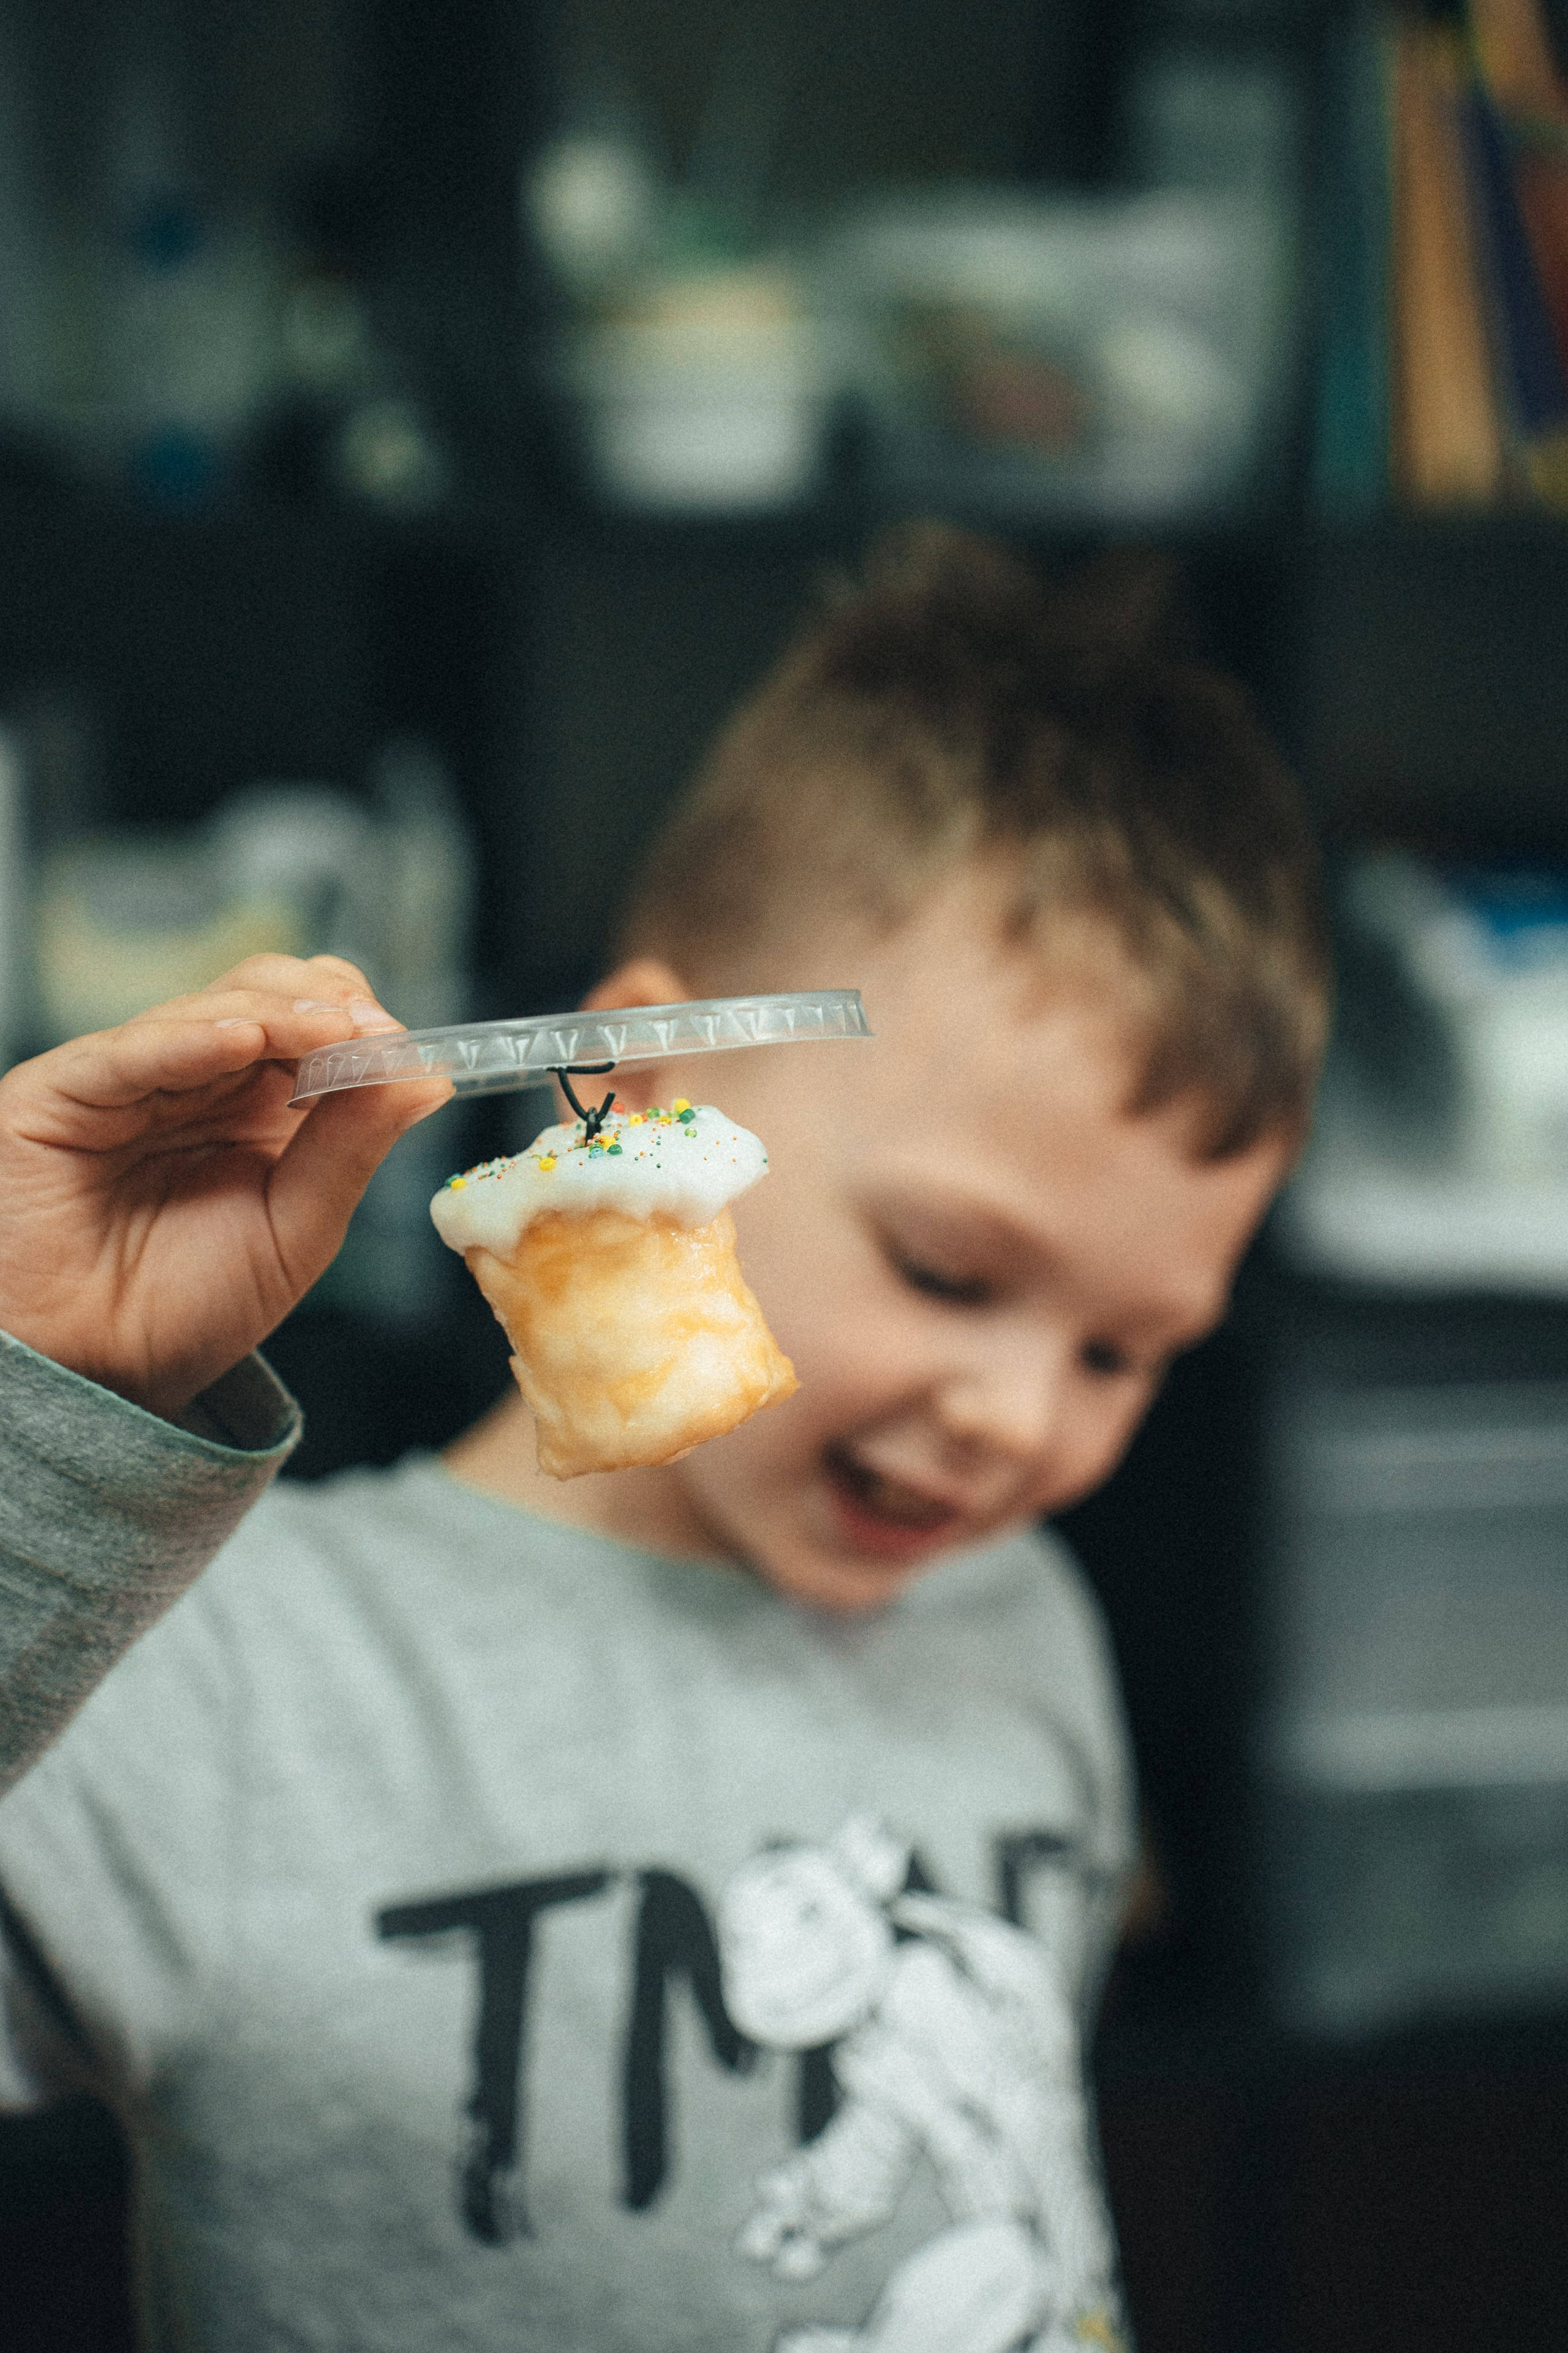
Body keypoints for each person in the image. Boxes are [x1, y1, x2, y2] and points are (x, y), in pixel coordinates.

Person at [0, 526, 1327, 2353]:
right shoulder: (241, 1676)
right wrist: (25, 1413)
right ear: (639, 1088)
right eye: (948, 1273)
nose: (1024, 1422)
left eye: (1127, 1349)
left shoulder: (1024, 1626)